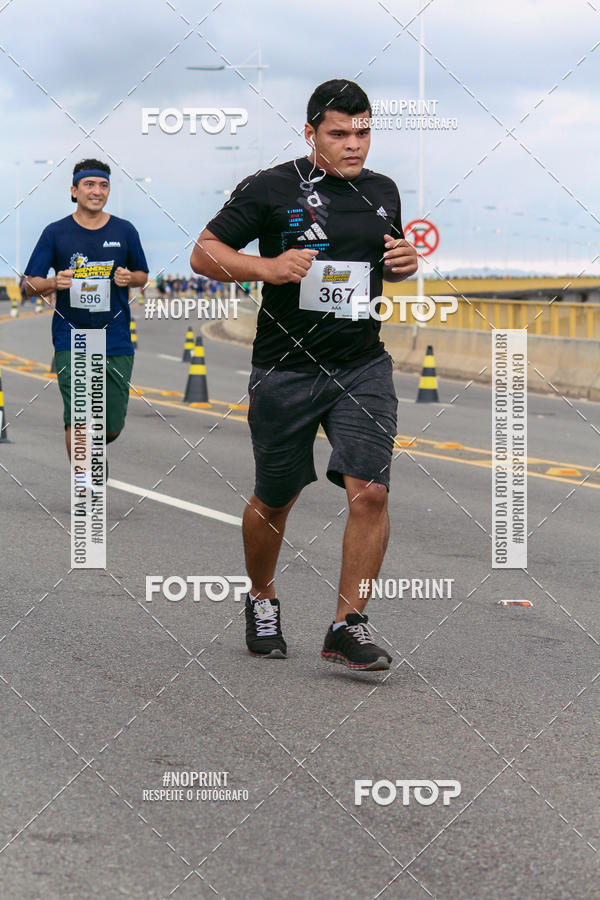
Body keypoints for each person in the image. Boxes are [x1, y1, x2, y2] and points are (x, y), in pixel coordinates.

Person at [191, 79, 418, 671]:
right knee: (276, 495)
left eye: (363, 132)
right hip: (286, 368)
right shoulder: (271, 186)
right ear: (312, 131)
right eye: (340, 133)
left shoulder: (384, 191)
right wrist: (267, 265)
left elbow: (385, 266)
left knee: (370, 490)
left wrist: (404, 263)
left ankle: (348, 624)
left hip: (361, 363)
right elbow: (205, 252)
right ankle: (262, 597)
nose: (354, 145)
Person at [24, 158, 148, 470]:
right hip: (73, 336)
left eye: (103, 185)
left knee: (112, 423)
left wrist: (129, 278)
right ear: (74, 190)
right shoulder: (55, 233)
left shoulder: (125, 230)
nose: (97, 191)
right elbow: (28, 284)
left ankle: (96, 447)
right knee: (80, 418)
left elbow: (142, 274)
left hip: (116, 338)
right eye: (89, 184)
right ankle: (87, 489)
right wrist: (54, 282)